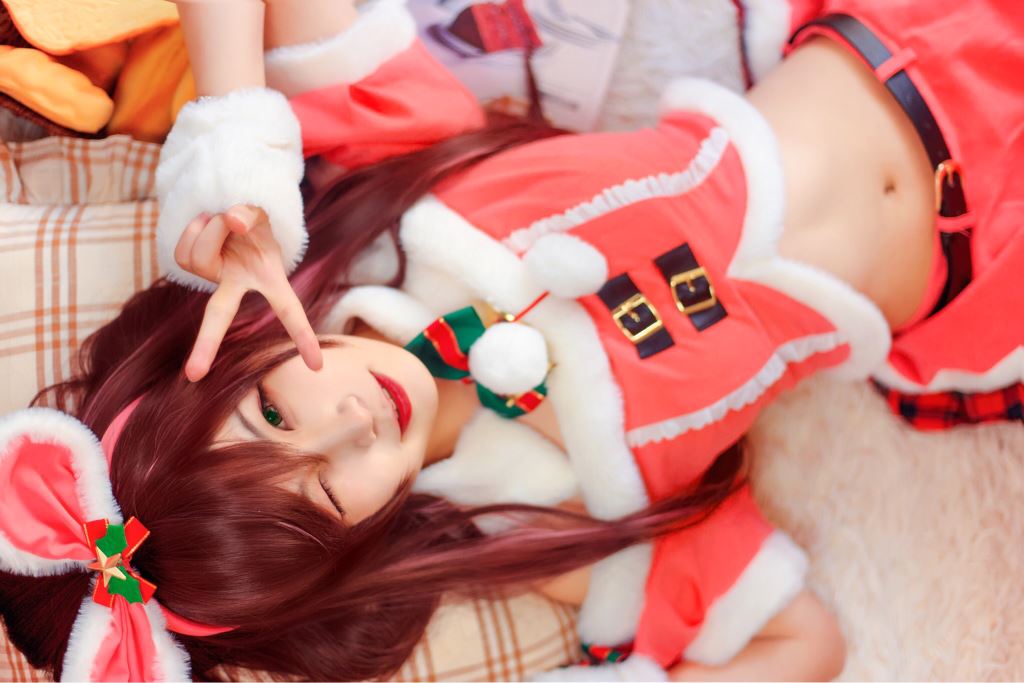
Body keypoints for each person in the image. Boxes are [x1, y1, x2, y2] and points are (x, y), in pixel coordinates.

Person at [1, 0, 1020, 680]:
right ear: (348, 552)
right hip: (991, 264)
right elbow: (807, 644)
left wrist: (236, 145)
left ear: (225, 357)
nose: (351, 423)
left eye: (272, 411)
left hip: (916, 34)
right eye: (327, 493)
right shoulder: (547, 524)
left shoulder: (388, 194)